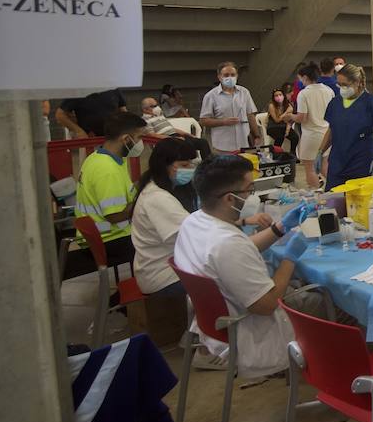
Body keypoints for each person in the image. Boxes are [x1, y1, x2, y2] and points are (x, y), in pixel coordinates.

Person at [172, 155, 312, 379]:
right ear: (230, 198)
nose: (252, 196)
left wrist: (281, 227)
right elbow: (267, 305)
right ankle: (331, 375)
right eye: (249, 189)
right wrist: (290, 258)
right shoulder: (227, 245)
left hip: (218, 319)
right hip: (252, 330)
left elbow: (241, 250)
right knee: (330, 301)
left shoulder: (195, 221)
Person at [70, 111, 148, 276]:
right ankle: (148, 291)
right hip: (110, 238)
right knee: (160, 242)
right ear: (126, 139)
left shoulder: (98, 157)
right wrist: (142, 204)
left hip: (100, 235)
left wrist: (144, 183)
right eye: (140, 137)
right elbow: (114, 216)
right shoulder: (107, 170)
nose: (141, 143)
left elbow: (123, 192)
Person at [129, 137, 200, 299]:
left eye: (190, 164)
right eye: (183, 165)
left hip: (168, 267)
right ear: (164, 165)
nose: (189, 169)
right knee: (229, 279)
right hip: (164, 278)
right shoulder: (158, 198)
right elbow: (195, 237)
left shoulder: (163, 188)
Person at [319, 63, 373, 190]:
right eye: (339, 84)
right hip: (338, 162)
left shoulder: (371, 102)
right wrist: (320, 151)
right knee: (334, 200)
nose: (341, 88)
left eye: (345, 85)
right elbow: (331, 130)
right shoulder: (335, 103)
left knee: (358, 202)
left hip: (361, 161)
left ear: (357, 82)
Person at [199, 61, 259, 154]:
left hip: (244, 143)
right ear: (219, 77)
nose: (230, 77)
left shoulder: (244, 92)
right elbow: (203, 121)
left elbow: (250, 114)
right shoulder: (210, 96)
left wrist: (256, 135)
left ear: (237, 76)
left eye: (232, 74)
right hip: (223, 145)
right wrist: (223, 121)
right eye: (226, 75)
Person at [293, 63, 333, 188]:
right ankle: (337, 188)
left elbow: (302, 117)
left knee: (310, 169)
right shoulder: (328, 90)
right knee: (324, 166)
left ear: (305, 77)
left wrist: (290, 117)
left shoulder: (304, 94)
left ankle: (315, 196)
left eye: (300, 78)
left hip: (311, 135)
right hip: (327, 134)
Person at [57, 88, 127, 138]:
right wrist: (79, 131)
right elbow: (60, 114)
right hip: (90, 140)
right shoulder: (78, 90)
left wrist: (127, 129)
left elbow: (123, 112)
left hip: (113, 137)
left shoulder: (113, 88)